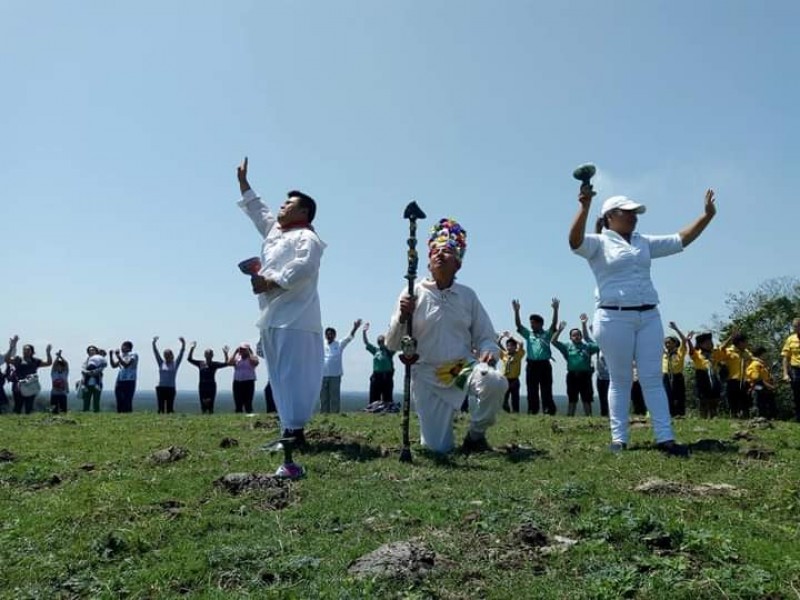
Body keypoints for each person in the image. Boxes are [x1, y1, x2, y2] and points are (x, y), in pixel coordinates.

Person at [569, 183, 717, 455]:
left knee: (652, 377)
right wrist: (584, 206)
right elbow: (574, 242)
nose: (633, 216)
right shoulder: (598, 243)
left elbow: (680, 239)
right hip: (613, 318)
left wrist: (706, 216)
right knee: (620, 378)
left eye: (635, 212)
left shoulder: (643, 242)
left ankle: (665, 438)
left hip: (649, 315)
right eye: (627, 212)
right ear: (610, 216)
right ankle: (619, 439)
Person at [385, 217, 506, 454]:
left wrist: (489, 352)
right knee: (437, 449)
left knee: (494, 381)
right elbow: (392, 343)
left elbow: (486, 336)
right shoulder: (413, 292)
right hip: (427, 373)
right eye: (435, 252)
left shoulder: (467, 296)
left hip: (459, 368)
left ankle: (475, 436)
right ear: (428, 262)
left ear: (458, 263)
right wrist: (402, 315)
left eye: (448, 251)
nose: (440, 255)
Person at [236, 157, 325, 445]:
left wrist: (271, 281)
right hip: (272, 315)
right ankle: (287, 430)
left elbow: (304, 267)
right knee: (277, 374)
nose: (282, 207)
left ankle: (295, 431)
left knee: (292, 375)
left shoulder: (307, 237)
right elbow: (258, 211)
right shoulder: (276, 231)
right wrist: (244, 184)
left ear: (304, 212)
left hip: (297, 318)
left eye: (289, 204)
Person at [513, 298, 559, 415]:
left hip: (544, 365)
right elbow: (518, 325)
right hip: (532, 365)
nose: (532, 325)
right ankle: (532, 410)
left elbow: (554, 325)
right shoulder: (529, 334)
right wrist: (516, 311)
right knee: (531, 389)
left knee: (546, 388)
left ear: (540, 324)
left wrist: (555, 309)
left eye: (534, 323)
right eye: (531, 323)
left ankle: (548, 409)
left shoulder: (546, 334)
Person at [551, 314, 599, 416]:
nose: (576, 336)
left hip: (585, 375)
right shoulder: (567, 347)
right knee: (572, 398)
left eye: (578, 335)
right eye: (574, 335)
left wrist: (584, 324)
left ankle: (589, 417)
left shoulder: (587, 346)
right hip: (572, 375)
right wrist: (559, 330)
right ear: (570, 337)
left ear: (581, 336)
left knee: (587, 398)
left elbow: (600, 345)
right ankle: (570, 417)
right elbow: (553, 341)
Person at [320, 320, 362, 413]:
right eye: (327, 334)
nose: (329, 336)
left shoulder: (339, 344)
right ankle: (324, 414)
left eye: (331, 334)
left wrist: (355, 328)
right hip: (323, 375)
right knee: (323, 397)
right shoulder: (321, 344)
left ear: (334, 335)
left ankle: (334, 414)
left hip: (335, 375)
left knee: (334, 397)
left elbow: (349, 338)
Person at [4, 335, 53, 414]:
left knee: (29, 407)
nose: (26, 351)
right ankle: (16, 422)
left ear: (32, 351)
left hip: (31, 386)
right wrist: (11, 348)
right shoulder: (18, 360)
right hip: (18, 387)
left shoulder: (35, 361)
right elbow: (7, 359)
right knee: (17, 407)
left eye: (28, 350)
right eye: (24, 350)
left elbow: (48, 363)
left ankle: (27, 422)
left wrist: (48, 353)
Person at [687, 331, 724, 419]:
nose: (709, 344)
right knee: (703, 399)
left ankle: (714, 417)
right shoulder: (697, 353)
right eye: (706, 343)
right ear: (700, 344)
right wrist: (688, 341)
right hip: (702, 376)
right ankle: (703, 418)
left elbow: (723, 347)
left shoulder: (714, 353)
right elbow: (692, 352)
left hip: (713, 376)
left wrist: (731, 337)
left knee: (714, 398)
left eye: (710, 342)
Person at [187, 342, 230, 414]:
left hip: (211, 385)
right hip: (202, 385)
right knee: (203, 403)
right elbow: (189, 359)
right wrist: (192, 348)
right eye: (207, 353)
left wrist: (226, 353)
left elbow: (226, 363)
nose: (208, 355)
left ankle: (210, 416)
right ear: (204, 355)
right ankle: (203, 416)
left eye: (210, 354)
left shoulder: (214, 364)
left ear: (212, 355)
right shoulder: (201, 363)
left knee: (210, 404)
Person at [362, 322, 396, 411]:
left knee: (387, 397)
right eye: (379, 341)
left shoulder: (389, 352)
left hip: (387, 376)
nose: (380, 343)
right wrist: (364, 332)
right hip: (376, 376)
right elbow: (366, 342)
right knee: (374, 397)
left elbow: (395, 343)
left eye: (382, 341)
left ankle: (387, 411)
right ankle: (373, 410)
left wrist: (392, 330)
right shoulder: (375, 351)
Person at [719, 332, 752, 418]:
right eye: (745, 342)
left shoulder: (746, 352)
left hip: (744, 380)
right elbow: (720, 349)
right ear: (740, 342)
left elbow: (751, 358)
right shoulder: (729, 351)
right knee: (733, 401)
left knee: (745, 401)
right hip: (732, 380)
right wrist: (730, 338)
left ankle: (746, 418)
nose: (746, 343)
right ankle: (734, 417)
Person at [152, 336, 185, 414]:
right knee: (161, 407)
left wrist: (183, 344)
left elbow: (181, 354)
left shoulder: (175, 364)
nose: (166, 356)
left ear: (171, 355)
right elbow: (156, 353)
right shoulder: (161, 363)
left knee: (170, 407)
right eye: (165, 355)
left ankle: (169, 422)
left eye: (168, 355)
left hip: (171, 388)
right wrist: (153, 343)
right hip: (161, 387)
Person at [662, 321, 689, 417]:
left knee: (679, 395)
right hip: (665, 376)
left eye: (669, 343)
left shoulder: (680, 351)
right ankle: (670, 414)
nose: (667, 345)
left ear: (675, 343)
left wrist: (676, 329)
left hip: (677, 376)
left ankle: (680, 414)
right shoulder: (664, 354)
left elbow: (684, 340)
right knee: (667, 396)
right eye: (666, 343)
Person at [498, 332, 525, 413]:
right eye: (508, 345)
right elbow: (498, 344)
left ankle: (515, 413)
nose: (509, 347)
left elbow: (521, 343)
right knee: (503, 399)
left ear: (515, 347)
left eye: (511, 346)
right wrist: (501, 337)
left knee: (515, 399)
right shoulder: (504, 354)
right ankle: (507, 411)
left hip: (514, 380)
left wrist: (511, 336)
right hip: (505, 380)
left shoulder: (519, 354)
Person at [747, 346, 777, 420]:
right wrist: (769, 386)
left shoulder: (763, 365)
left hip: (765, 389)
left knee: (769, 408)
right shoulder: (755, 364)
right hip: (758, 389)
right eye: (765, 353)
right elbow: (757, 379)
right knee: (760, 408)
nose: (766, 355)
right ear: (761, 354)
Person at [229, 343, 259, 413]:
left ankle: (249, 414)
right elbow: (230, 363)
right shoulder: (237, 358)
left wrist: (249, 353)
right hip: (237, 382)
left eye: (244, 349)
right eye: (241, 349)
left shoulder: (253, 357)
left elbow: (255, 363)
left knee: (248, 402)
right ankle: (238, 414)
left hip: (248, 382)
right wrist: (235, 352)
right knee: (238, 401)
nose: (241, 351)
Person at [109, 341, 138, 413]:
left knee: (127, 399)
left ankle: (127, 414)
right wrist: (111, 356)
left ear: (128, 347)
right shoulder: (122, 356)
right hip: (120, 380)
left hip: (130, 380)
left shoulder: (133, 355)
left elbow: (126, 365)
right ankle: (120, 414)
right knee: (119, 398)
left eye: (123, 346)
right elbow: (113, 365)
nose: (121, 348)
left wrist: (118, 356)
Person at [781, 317, 800, 422]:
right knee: (797, 394)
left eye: (797, 326)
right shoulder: (790, 339)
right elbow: (785, 357)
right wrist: (785, 373)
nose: (795, 329)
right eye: (794, 327)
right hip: (795, 369)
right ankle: (798, 418)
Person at [81, 345, 108, 413]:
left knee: (96, 400)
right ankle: (85, 412)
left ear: (96, 351)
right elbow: (83, 370)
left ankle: (96, 412)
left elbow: (102, 368)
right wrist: (88, 372)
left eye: (93, 350)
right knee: (86, 400)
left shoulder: (99, 359)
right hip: (87, 384)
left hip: (97, 383)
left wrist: (94, 372)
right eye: (90, 350)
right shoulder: (86, 361)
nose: (91, 351)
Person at [595, 351, 610, 417]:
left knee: (609, 397)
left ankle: (613, 414)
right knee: (602, 398)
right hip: (600, 377)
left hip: (609, 377)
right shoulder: (598, 348)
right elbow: (587, 340)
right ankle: (604, 414)